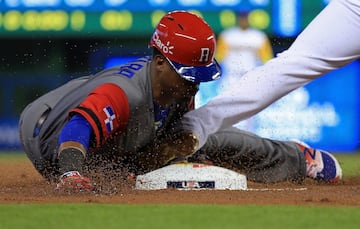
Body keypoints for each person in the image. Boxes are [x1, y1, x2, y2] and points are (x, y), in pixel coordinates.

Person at [19, 11, 341, 194]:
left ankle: (299, 159)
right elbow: (78, 125)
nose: (194, 82)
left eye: (199, 74)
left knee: (209, 140)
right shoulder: (124, 93)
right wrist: (71, 174)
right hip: (51, 141)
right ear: (159, 61)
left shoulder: (177, 89)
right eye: (187, 73)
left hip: (118, 144)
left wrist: (172, 151)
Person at [174, 0, 360, 156]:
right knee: (292, 63)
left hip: (248, 73)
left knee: (290, 66)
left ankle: (196, 129)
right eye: (242, 16)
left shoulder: (257, 36)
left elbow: (265, 58)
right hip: (232, 77)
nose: (244, 19)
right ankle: (188, 129)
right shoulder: (229, 35)